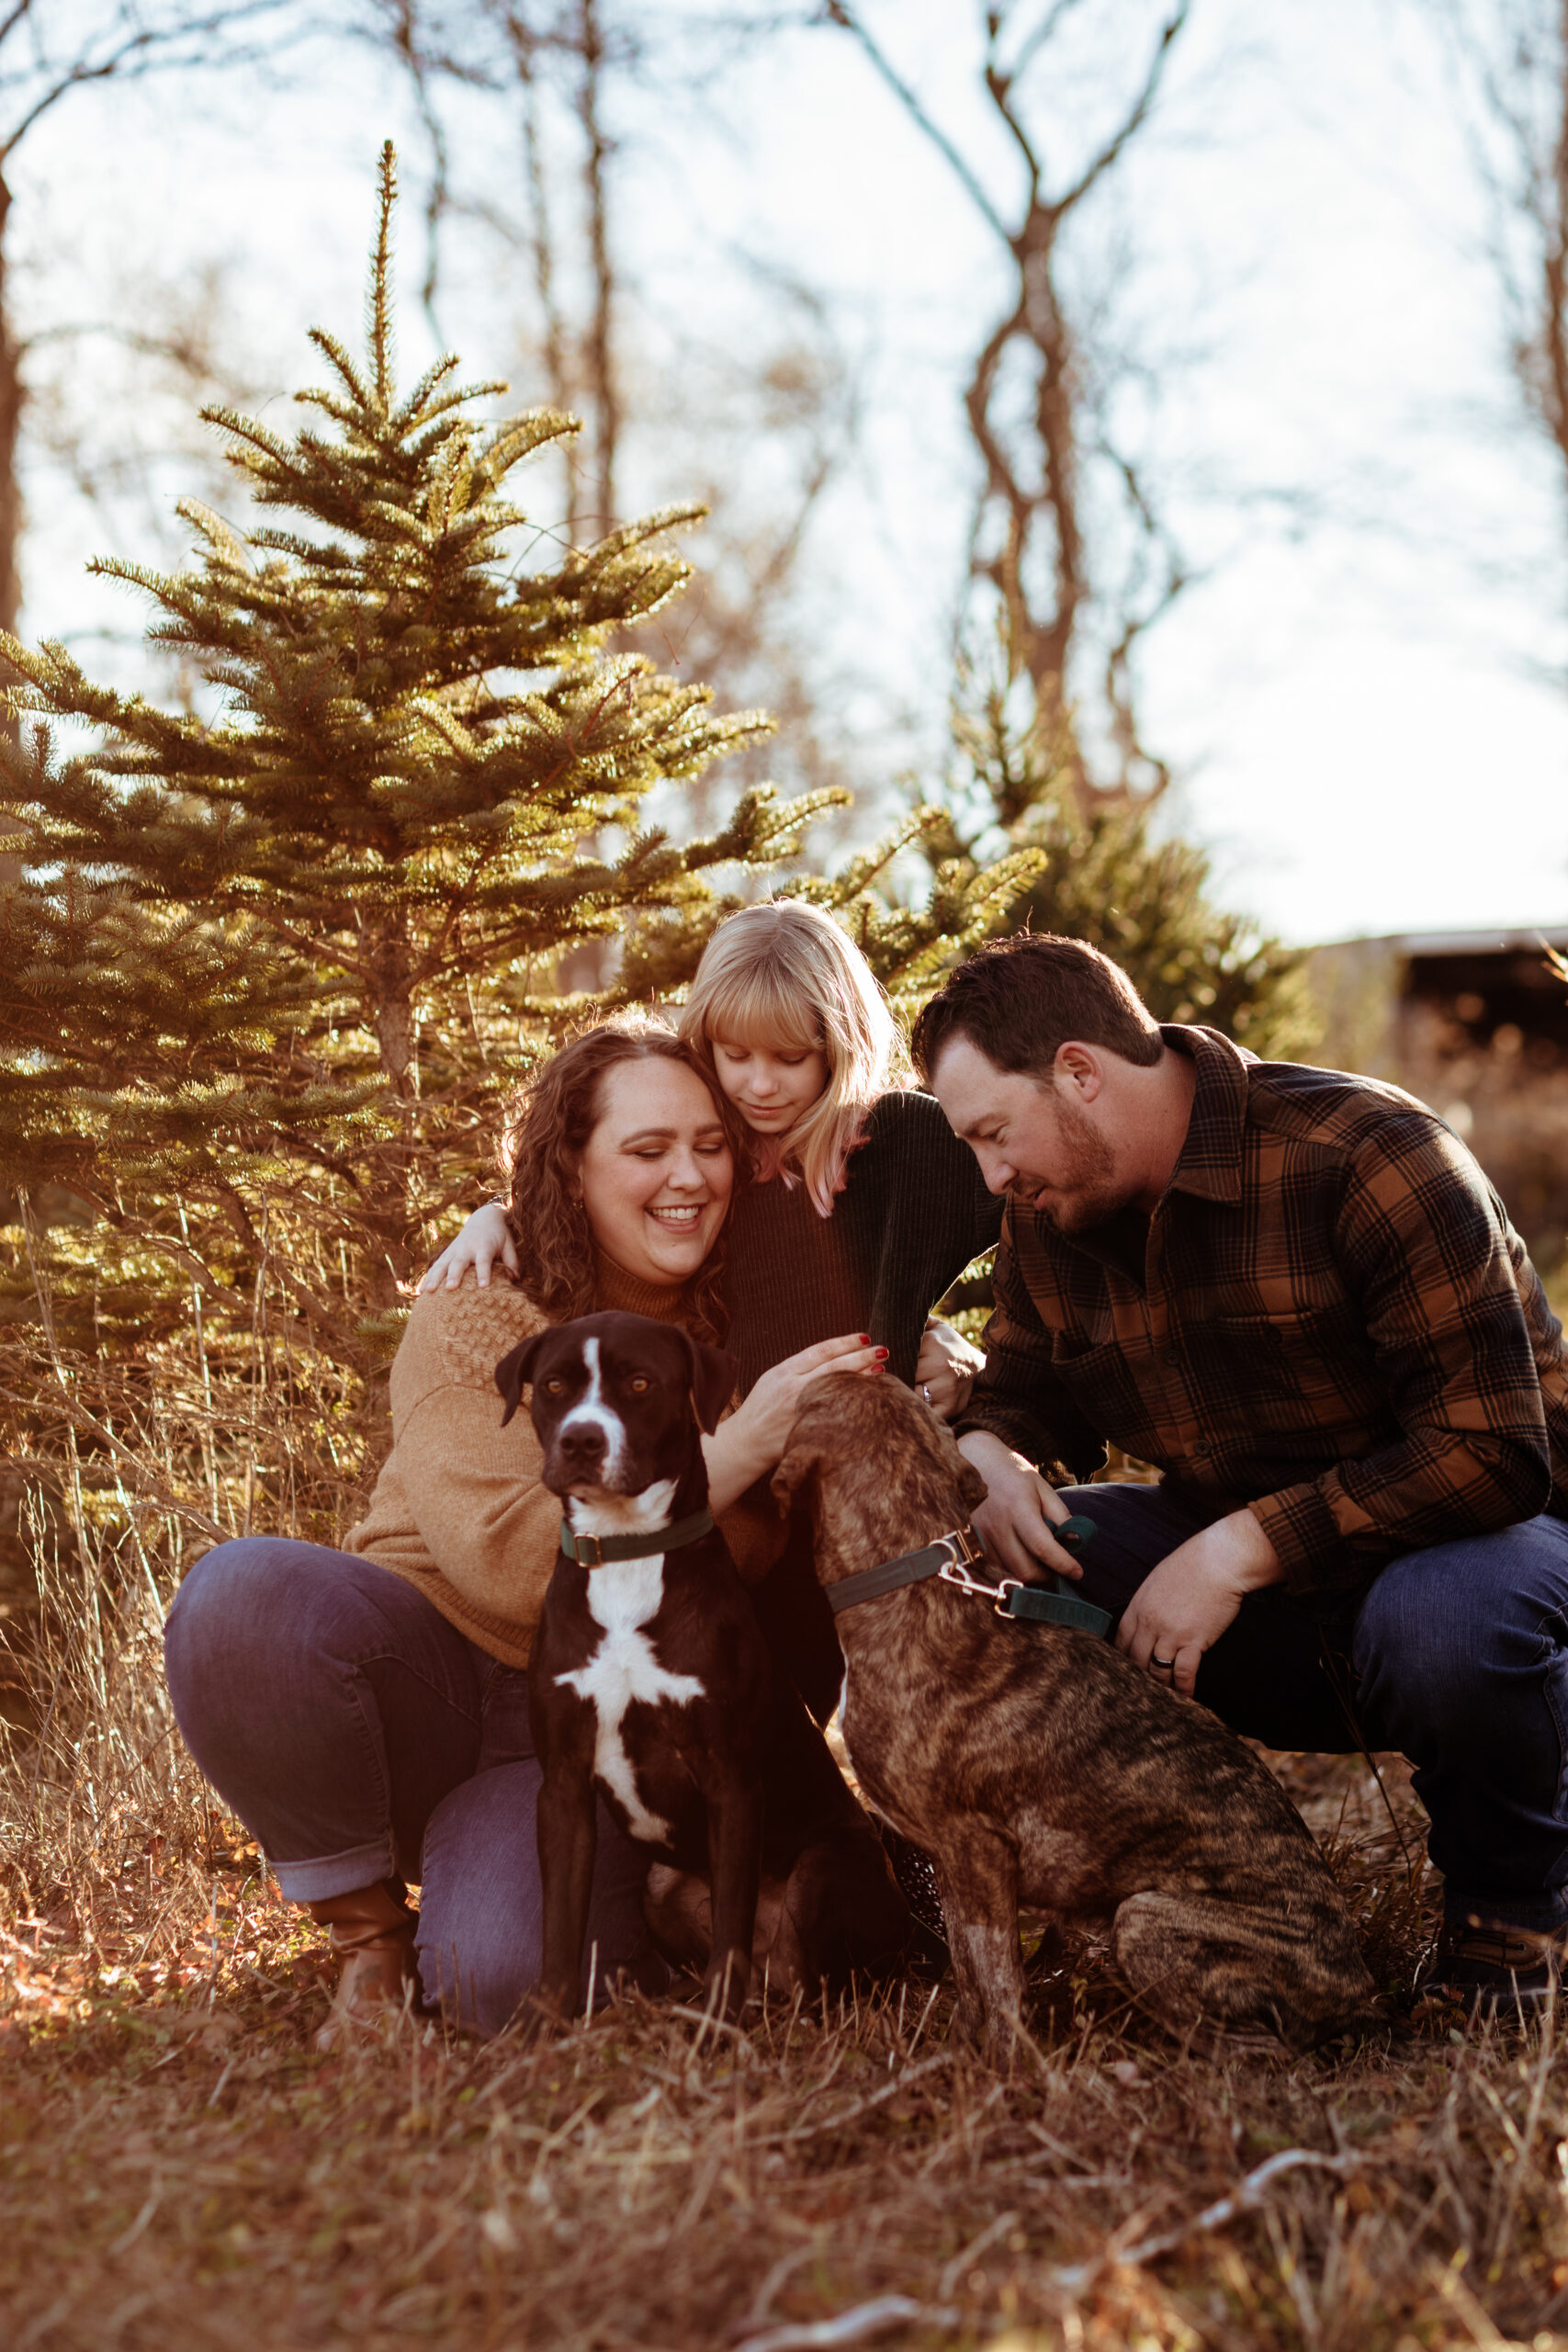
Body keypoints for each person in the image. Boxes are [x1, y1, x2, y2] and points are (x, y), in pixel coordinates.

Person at [164, 1018, 887, 2041]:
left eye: (710, 1145)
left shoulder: (737, 1334)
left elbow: (761, 1557)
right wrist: (742, 1446)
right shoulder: (478, 1301)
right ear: (571, 1167)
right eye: (646, 1150)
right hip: (430, 1656)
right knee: (242, 1596)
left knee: (499, 1985)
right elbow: (507, 1562)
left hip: (597, 1732)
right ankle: (366, 1939)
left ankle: (558, 1900)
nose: (688, 1176)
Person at [911, 931, 1568, 2011]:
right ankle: (1141, 1889)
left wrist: (1237, 1548)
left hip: (1482, 1554)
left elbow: (1494, 1455)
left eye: (993, 1134)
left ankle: (1513, 1924)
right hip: (1255, 1596)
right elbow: (1025, 1389)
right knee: (1001, 1561)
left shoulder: (1371, 1153)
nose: (992, 1176)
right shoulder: (1055, 1212)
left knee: (1444, 1618)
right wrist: (988, 1449)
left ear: (1079, 1071)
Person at [423, 901, 1003, 1721]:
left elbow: (1042, 1194)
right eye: (734, 1056)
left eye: (791, 1058)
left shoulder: (893, 1148)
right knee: (781, 1748)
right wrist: (497, 1215)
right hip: (747, 1532)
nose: (760, 1084)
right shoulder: (716, 1160)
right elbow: (603, 1182)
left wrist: (978, 1370)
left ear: (840, 1046)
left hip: (884, 1518)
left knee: (922, 1717)